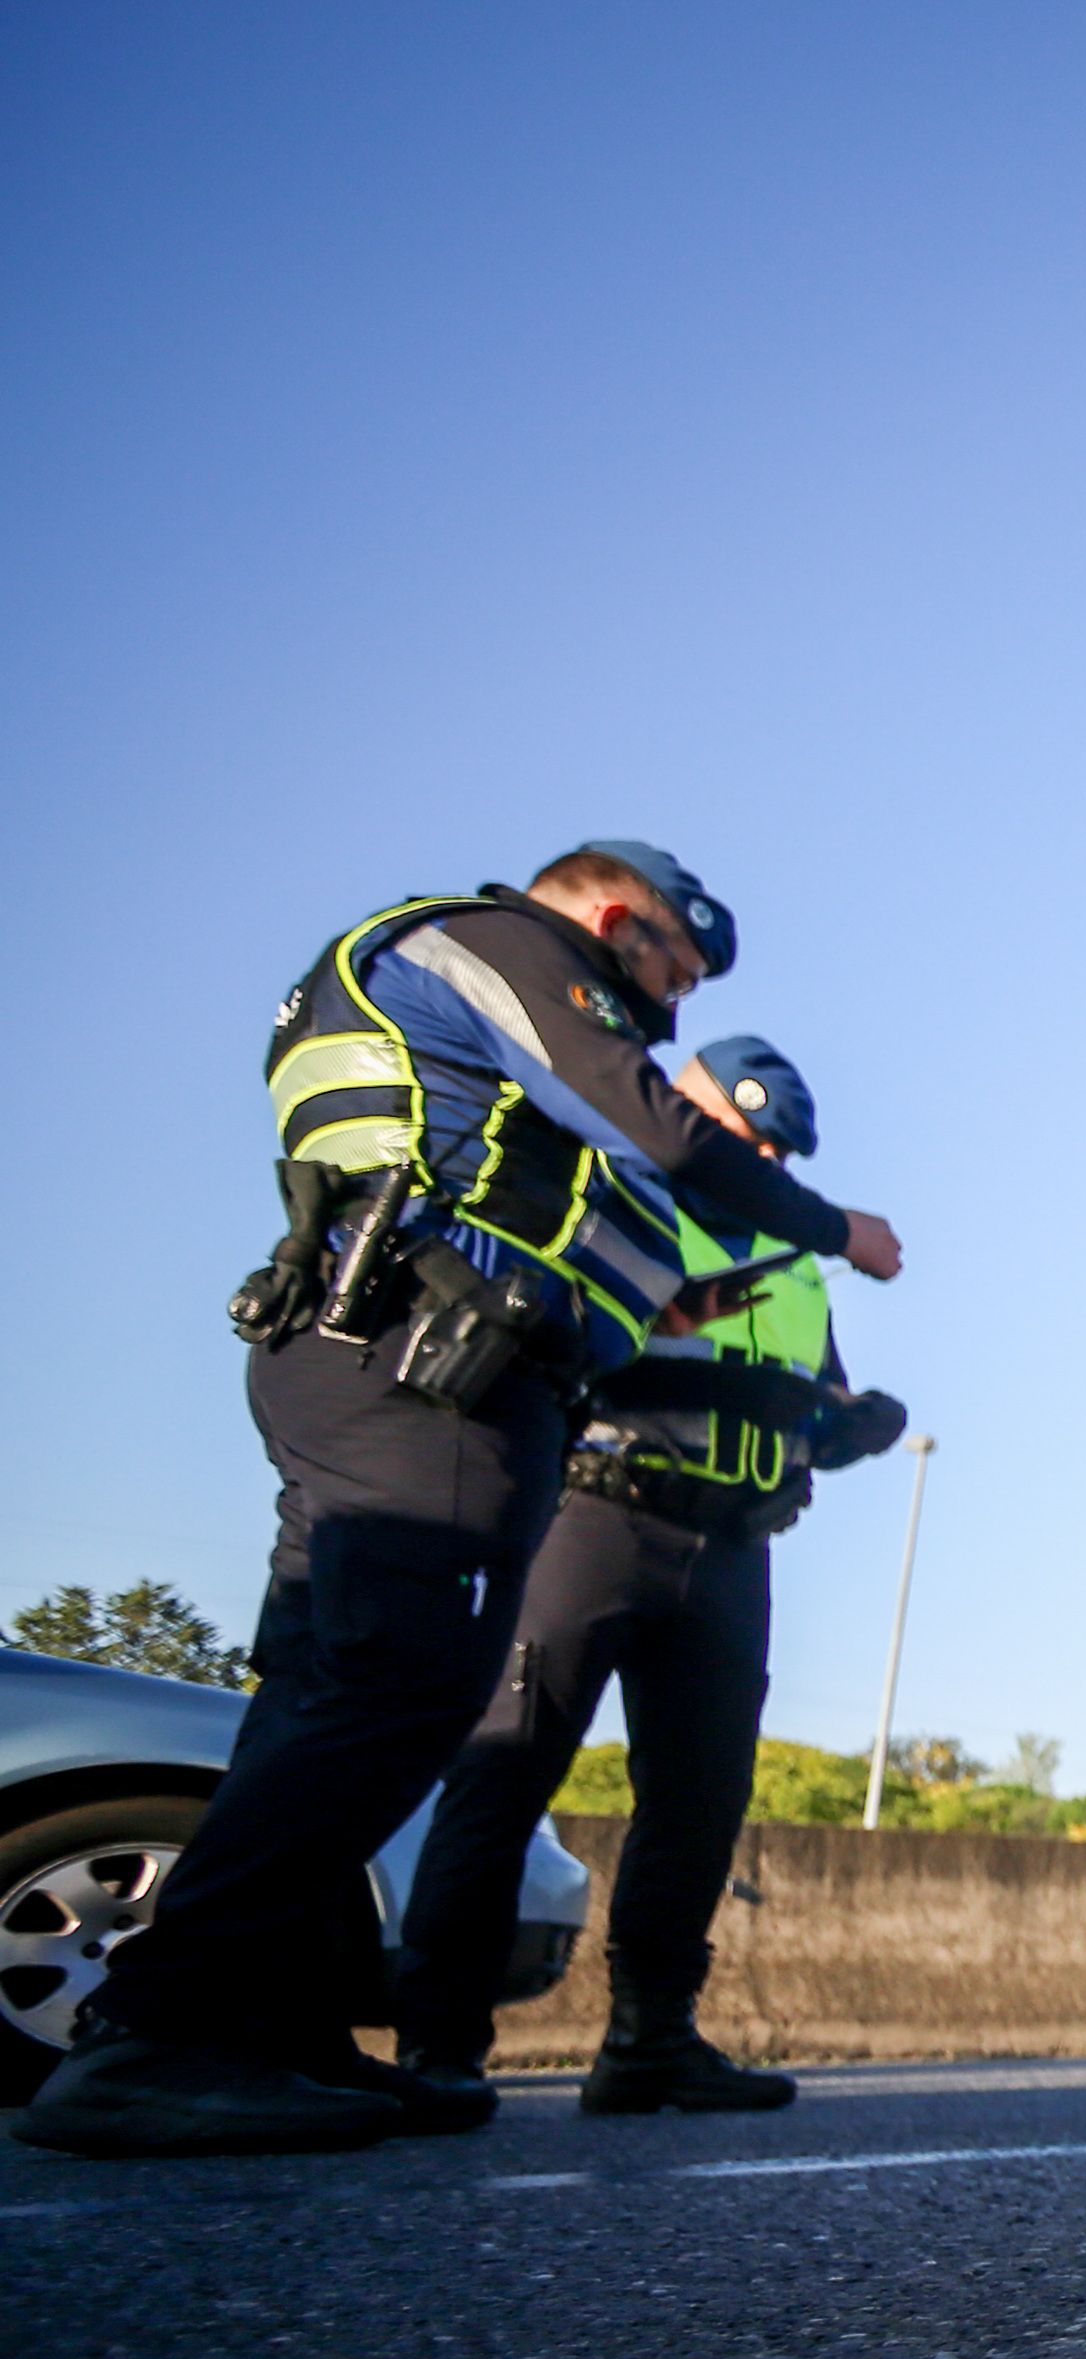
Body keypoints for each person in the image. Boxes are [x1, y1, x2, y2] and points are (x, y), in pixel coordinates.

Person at [17, 849, 904, 2159]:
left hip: (417, 1363)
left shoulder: (474, 1039)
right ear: (616, 922)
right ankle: (160, 2033)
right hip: (423, 1376)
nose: (667, 1008)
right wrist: (836, 1226)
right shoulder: (506, 949)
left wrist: (806, 1413)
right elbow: (656, 1124)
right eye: (672, 972)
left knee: (331, 1699)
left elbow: (604, 1278)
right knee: (400, 1700)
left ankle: (267, 2030)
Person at [390, 1037, 911, 2116]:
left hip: (731, 1551)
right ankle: (436, 2047)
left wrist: (845, 1428)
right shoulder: (606, 1193)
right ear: (680, 1101)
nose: (761, 1153)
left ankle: (648, 2042)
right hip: (591, 1522)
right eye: (743, 1127)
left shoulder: (795, 1258)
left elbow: (795, 1399)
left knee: (700, 1805)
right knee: (504, 1776)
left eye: (778, 1144)